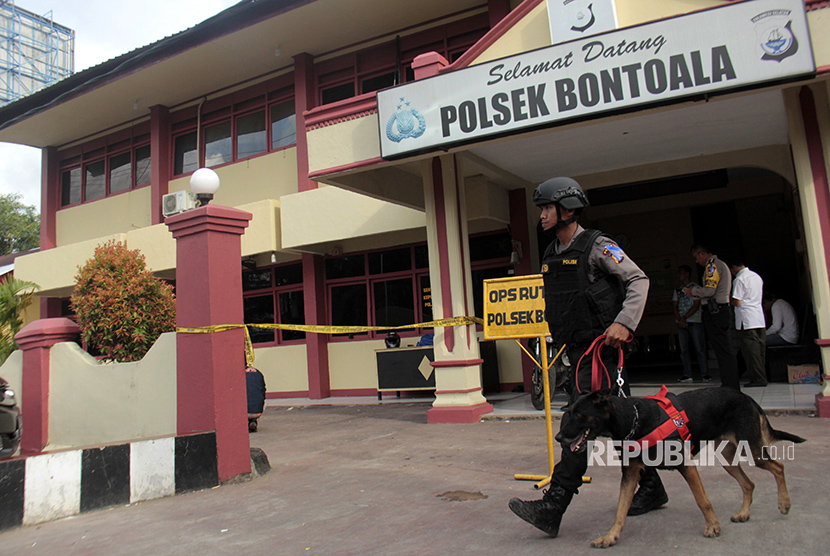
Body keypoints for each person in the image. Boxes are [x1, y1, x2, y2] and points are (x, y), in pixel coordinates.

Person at [508, 177, 661, 538]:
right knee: (625, 426)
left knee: (576, 426)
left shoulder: (598, 246)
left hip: (601, 353)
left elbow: (639, 280)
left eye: (546, 208)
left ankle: (553, 506)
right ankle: (653, 487)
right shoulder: (551, 254)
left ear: (568, 210)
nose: (542, 216)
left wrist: (625, 323)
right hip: (574, 353)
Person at [684, 245, 739, 390]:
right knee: (724, 349)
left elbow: (709, 290)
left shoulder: (712, 266)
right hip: (720, 310)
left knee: (723, 350)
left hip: (716, 311)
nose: (697, 261)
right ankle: (730, 383)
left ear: (702, 254)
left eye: (697, 257)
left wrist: (693, 291)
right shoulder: (719, 265)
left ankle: (730, 384)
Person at [729, 258, 767, 387]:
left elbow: (737, 301)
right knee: (760, 351)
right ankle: (761, 375)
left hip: (747, 320)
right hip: (759, 318)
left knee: (751, 352)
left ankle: (758, 379)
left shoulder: (739, 279)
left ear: (734, 267)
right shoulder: (756, 276)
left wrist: (730, 300)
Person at [672, 265, 711, 383]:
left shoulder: (695, 288)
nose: (679, 275)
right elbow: (674, 306)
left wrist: (684, 317)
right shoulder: (678, 290)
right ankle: (687, 374)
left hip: (694, 321)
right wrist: (680, 320)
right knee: (684, 350)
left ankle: (705, 374)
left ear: (687, 274)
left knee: (699, 348)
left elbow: (696, 305)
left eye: (681, 273)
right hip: (681, 322)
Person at [246, 366, 266, 432]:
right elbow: (263, 389)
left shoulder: (238, 374)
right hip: (258, 409)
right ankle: (253, 420)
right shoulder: (258, 373)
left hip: (244, 411)